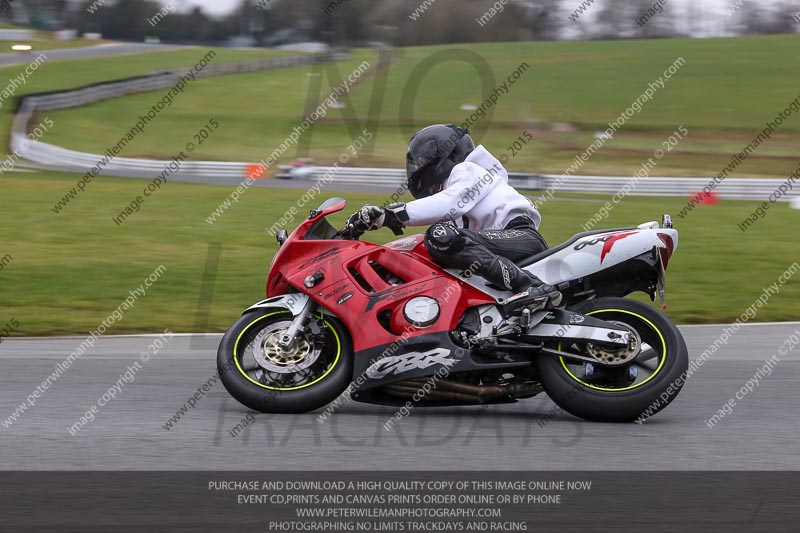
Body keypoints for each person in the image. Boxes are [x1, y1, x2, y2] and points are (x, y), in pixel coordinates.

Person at [346, 124, 561, 312]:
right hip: (497, 242)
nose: (417, 167)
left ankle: (531, 286)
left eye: (422, 160)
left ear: (445, 154)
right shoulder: (457, 202)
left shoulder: (468, 170)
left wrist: (392, 214)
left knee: (438, 236)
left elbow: (449, 203)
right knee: (434, 245)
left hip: (519, 235)